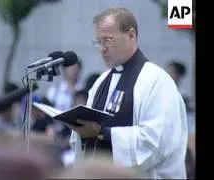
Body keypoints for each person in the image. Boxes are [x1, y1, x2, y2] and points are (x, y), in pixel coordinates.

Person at [68, 6, 188, 179]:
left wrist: (103, 132)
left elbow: (156, 143)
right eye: (98, 42)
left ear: (131, 35)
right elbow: (83, 142)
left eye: (108, 40)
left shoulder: (157, 81)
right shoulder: (102, 81)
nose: (102, 48)